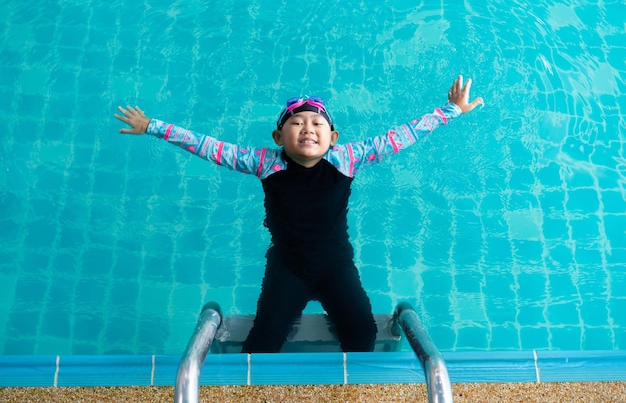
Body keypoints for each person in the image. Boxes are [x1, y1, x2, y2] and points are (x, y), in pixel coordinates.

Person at [114, 75, 484, 353]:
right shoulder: (264, 163)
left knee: (362, 333)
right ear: (278, 137)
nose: (308, 129)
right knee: (263, 341)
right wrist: (152, 127)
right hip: (287, 267)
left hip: (335, 265)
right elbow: (209, 147)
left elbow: (400, 137)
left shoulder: (346, 159)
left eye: (317, 124)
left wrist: (450, 110)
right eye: (297, 123)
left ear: (333, 137)